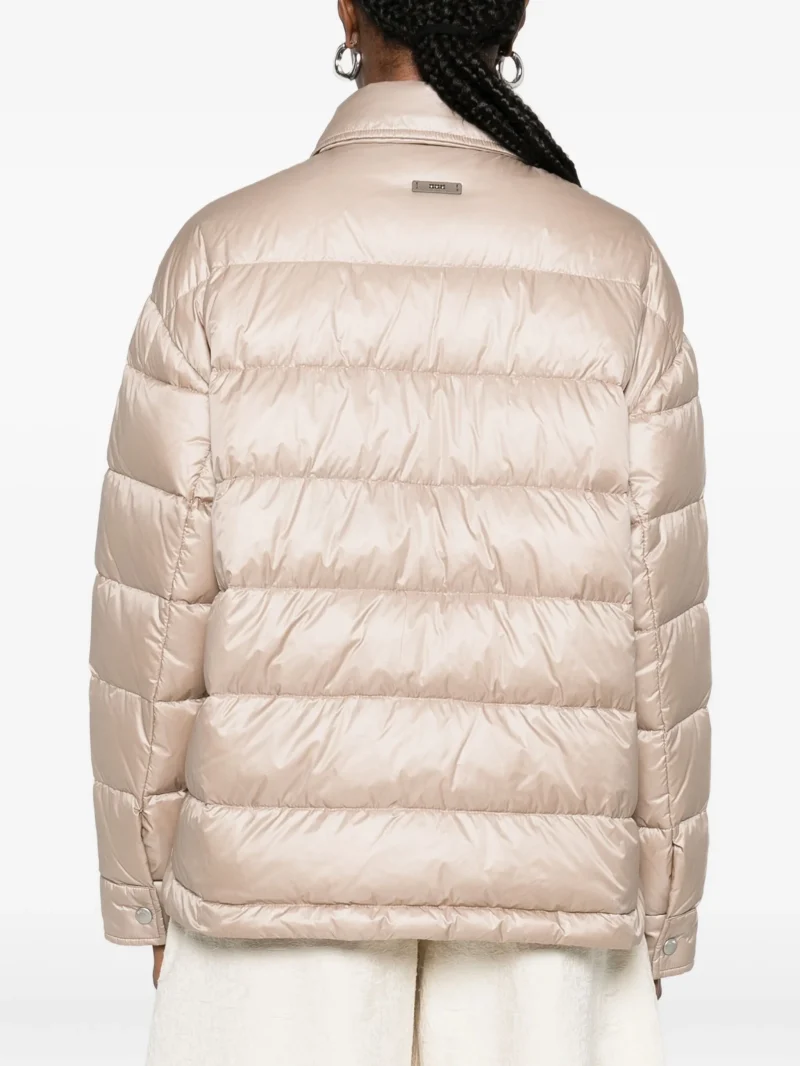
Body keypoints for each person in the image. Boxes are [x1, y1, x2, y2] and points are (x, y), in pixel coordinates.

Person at [89, 2, 711, 1063]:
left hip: (272, 877)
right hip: (547, 880)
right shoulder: (619, 266)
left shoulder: (220, 256)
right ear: (512, 12)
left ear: (347, 9)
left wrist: (145, 884)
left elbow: (152, 614)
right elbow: (662, 620)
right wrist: (664, 905)